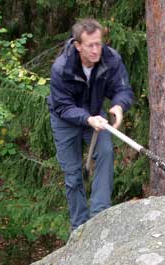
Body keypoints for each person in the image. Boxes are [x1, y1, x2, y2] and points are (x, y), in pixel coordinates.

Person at [47, 18, 134, 231]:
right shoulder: (61, 68)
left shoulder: (110, 59)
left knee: (105, 151)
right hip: (65, 120)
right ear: (78, 46)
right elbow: (63, 107)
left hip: (96, 114)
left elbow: (122, 89)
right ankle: (79, 227)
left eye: (99, 43)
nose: (96, 50)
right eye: (90, 45)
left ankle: (100, 216)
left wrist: (119, 106)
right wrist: (87, 119)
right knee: (73, 175)